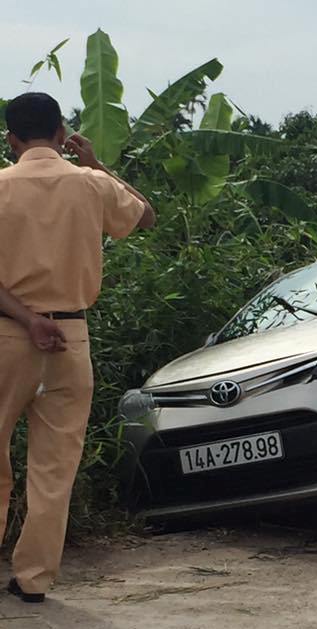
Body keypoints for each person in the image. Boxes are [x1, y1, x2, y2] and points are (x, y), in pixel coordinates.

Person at [0, 92, 155, 603]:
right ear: (64, 134)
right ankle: (33, 579)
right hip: (71, 338)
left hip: (6, 336)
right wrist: (99, 165)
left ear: (11, 139)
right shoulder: (90, 185)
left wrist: (26, 318)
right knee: (54, 466)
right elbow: (146, 217)